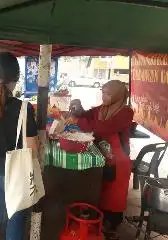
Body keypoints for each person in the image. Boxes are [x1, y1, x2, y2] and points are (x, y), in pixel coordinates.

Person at [0, 52, 38, 240]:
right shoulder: (24, 108)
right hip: (16, 177)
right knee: (15, 230)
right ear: (16, 78)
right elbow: (32, 151)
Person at [70, 80, 133, 240]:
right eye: (103, 92)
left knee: (114, 197)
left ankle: (112, 228)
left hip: (118, 161)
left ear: (118, 95)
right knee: (102, 191)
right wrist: (78, 108)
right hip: (103, 157)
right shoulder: (102, 109)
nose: (104, 96)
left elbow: (101, 128)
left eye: (108, 93)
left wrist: (79, 121)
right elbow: (87, 114)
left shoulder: (126, 113)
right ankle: (99, 224)